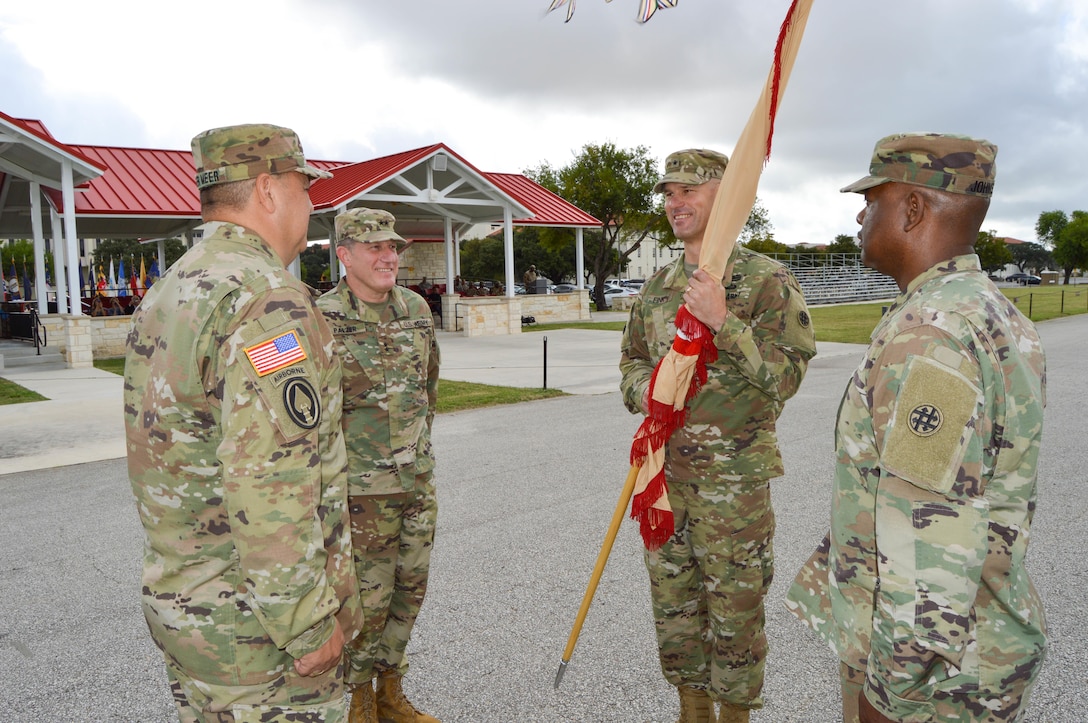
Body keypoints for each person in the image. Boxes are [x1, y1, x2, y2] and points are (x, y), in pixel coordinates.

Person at [786, 133, 1048, 722]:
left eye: (872, 198)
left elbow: (929, 538)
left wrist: (890, 695)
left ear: (912, 209)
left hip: (934, 686)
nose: (860, 212)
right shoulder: (984, 307)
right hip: (974, 653)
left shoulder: (931, 334)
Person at [124, 123, 361, 721]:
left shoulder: (172, 288)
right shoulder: (265, 299)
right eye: (305, 188)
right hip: (260, 644)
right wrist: (306, 626)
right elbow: (270, 483)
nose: (312, 205)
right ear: (267, 190)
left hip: (194, 612)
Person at [619, 149, 816, 723]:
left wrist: (723, 322)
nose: (674, 202)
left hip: (733, 484)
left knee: (735, 609)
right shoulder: (657, 287)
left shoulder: (764, 280)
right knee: (675, 606)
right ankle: (691, 709)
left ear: (725, 198)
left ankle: (734, 716)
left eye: (689, 191)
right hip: (663, 478)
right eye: (668, 192)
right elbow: (630, 362)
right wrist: (648, 393)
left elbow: (786, 375)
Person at [318, 207, 441, 723]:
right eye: (376, 248)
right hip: (357, 494)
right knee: (363, 602)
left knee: (409, 592)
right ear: (345, 256)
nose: (390, 256)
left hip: (416, 482)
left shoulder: (416, 308)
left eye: (393, 248)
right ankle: (358, 700)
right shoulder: (318, 318)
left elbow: (429, 388)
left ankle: (391, 691)